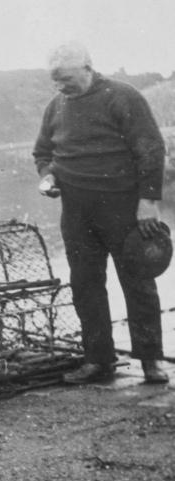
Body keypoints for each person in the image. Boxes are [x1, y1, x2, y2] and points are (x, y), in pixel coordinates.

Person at [33, 42, 169, 385]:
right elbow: (42, 152)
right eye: (55, 80)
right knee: (85, 285)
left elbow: (150, 148)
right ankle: (98, 360)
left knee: (138, 281)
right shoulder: (55, 106)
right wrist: (47, 175)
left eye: (65, 78)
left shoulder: (122, 96)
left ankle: (151, 360)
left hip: (122, 205)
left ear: (88, 67)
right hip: (75, 210)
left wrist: (148, 200)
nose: (60, 86)